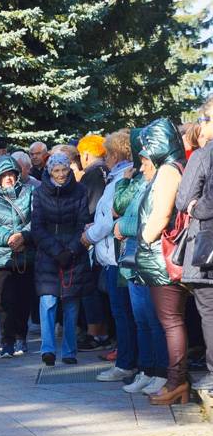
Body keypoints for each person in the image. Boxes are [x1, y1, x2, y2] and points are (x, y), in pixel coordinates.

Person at [134, 118, 189, 405]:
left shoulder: (168, 171)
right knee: (172, 321)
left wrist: (145, 235)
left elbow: (161, 214)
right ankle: (176, 380)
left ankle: (176, 382)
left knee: (170, 322)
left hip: (162, 258)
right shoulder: (176, 167)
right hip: (164, 258)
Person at [114, 128, 168, 395]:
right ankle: (146, 369)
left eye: (146, 162)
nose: (142, 166)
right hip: (133, 257)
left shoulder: (161, 182)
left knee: (153, 319)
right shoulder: (140, 182)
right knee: (141, 319)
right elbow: (121, 206)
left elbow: (151, 219)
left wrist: (123, 225)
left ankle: (161, 371)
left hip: (149, 257)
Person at [81, 131, 136, 381]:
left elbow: (110, 217)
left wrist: (90, 235)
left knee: (122, 312)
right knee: (122, 311)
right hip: (112, 254)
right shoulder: (115, 177)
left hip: (118, 255)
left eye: (107, 154)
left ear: (114, 154)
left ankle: (126, 362)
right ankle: (127, 359)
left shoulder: (121, 179)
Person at [31, 152, 93, 366]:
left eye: (64, 170)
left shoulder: (80, 191)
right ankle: (47, 349)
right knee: (48, 300)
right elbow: (37, 227)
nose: (60, 174)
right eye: (56, 170)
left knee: (71, 303)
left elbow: (83, 222)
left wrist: (72, 250)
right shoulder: (39, 193)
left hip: (74, 251)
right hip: (48, 252)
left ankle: (69, 351)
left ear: (69, 169)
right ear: (49, 171)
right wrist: (56, 250)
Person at [0, 156, 35, 359]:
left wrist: (23, 236)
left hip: (26, 254)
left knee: (24, 299)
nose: (8, 178)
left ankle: (22, 336)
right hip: (2, 256)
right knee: (5, 301)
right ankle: (7, 340)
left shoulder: (29, 192)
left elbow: (36, 218)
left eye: (11, 174)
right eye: (4, 175)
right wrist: (6, 238)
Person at [176, 98, 213, 393]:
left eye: (204, 120)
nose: (201, 125)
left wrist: (196, 207)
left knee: (210, 312)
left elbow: (183, 198)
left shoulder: (203, 155)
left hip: (207, 250)